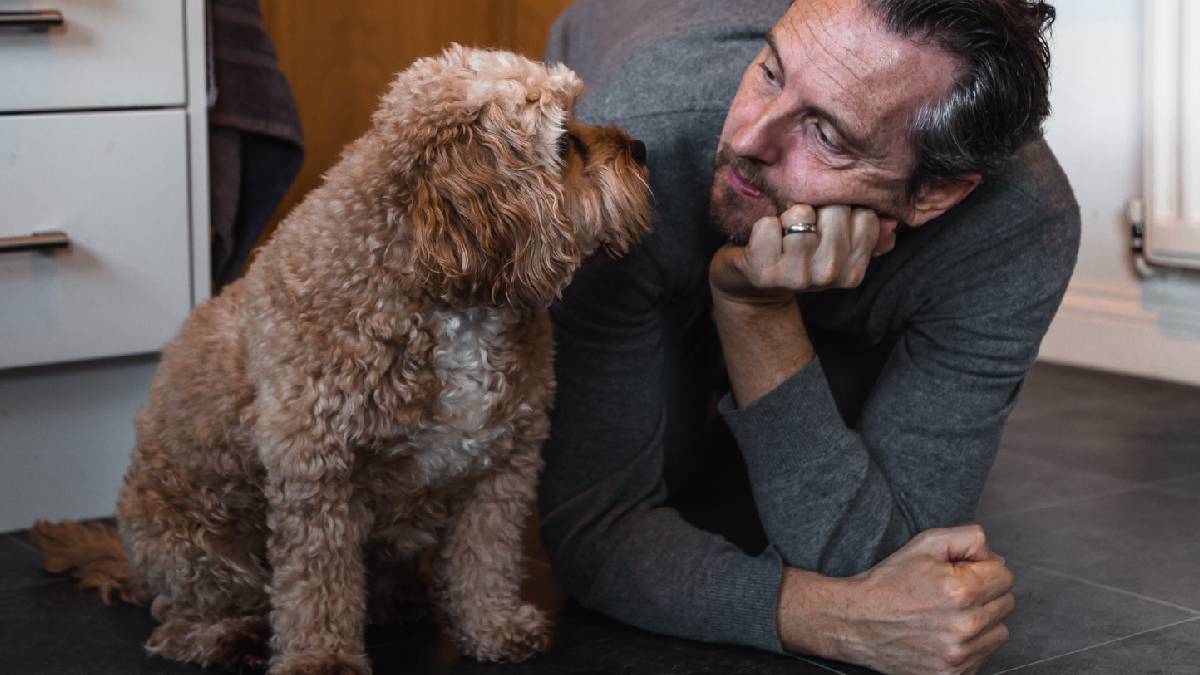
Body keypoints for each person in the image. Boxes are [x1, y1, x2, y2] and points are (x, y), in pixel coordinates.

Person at [537, 0, 1080, 673]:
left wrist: (754, 309)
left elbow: (881, 560)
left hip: (798, 248)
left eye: (826, 133)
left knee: (779, 505)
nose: (749, 138)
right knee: (674, 468)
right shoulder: (636, 158)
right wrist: (825, 619)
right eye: (768, 71)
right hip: (632, 94)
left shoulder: (1020, 231)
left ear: (934, 195)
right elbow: (595, 524)